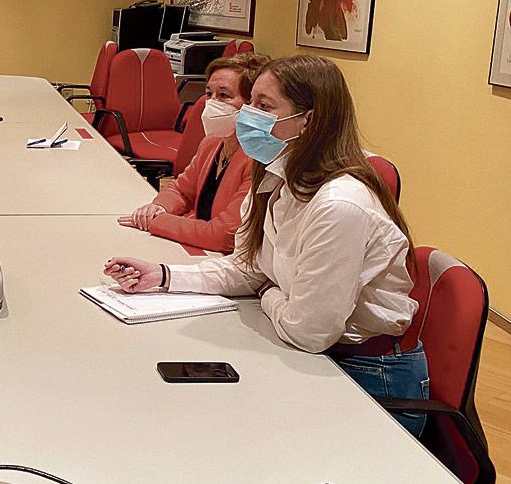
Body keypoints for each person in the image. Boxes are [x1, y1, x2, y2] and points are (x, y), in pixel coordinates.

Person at [103, 56, 426, 435]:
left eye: (264, 106)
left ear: (309, 120)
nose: (247, 116)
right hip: (313, 353)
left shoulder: (340, 206)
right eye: (251, 102)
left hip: (367, 377)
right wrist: (162, 275)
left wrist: (269, 293)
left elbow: (307, 331)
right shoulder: (276, 177)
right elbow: (246, 267)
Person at [118, 52, 269, 252]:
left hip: (226, 261)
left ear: (252, 104)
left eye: (224, 95)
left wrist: (157, 222)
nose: (212, 103)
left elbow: (224, 236)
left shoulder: (258, 159)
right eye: (209, 94)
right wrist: (159, 207)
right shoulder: (212, 143)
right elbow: (180, 189)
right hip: (199, 249)